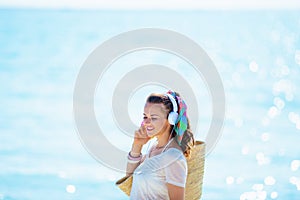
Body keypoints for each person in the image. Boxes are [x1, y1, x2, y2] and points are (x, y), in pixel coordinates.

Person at [126, 90, 194, 200]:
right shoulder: (154, 149)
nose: (147, 122)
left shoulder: (173, 157)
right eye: (145, 116)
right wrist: (137, 146)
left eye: (153, 118)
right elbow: (130, 183)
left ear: (171, 119)